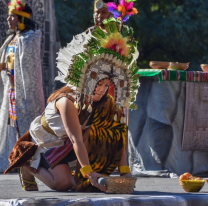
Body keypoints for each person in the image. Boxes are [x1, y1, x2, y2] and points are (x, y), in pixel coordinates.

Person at [4, 3, 140, 191]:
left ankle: (80, 170)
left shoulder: (106, 100)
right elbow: (76, 139)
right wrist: (90, 174)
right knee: (64, 184)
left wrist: (124, 172)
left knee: (109, 127)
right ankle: (29, 164)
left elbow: (119, 132)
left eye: (106, 85)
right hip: (50, 141)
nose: (101, 90)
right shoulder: (68, 101)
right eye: (97, 84)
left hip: (71, 141)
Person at [0, 0, 45, 172]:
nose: (8, 19)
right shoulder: (12, 39)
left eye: (12, 16)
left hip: (25, 93)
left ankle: (29, 161)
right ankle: (16, 159)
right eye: (8, 16)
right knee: (14, 127)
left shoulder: (30, 38)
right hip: (11, 92)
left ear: (22, 18)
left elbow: (27, 67)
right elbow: (7, 64)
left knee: (26, 128)